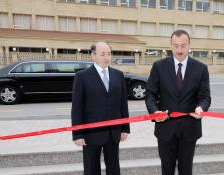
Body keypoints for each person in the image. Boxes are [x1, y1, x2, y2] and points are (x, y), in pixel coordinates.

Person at [145, 30, 211, 175]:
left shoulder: (201, 68)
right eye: (176, 46)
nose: (179, 50)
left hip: (190, 129)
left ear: (189, 45)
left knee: (186, 170)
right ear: (171, 46)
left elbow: (205, 96)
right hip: (165, 128)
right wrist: (154, 111)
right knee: (166, 169)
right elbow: (150, 94)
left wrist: (201, 107)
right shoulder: (159, 66)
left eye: (183, 45)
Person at [71, 42, 130, 175]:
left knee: (114, 168)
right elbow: (77, 107)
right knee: (92, 169)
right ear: (93, 56)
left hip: (113, 132)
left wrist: (125, 128)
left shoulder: (118, 75)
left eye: (109, 54)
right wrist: (77, 134)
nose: (106, 57)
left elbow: (123, 104)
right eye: (102, 54)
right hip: (91, 133)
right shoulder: (82, 77)